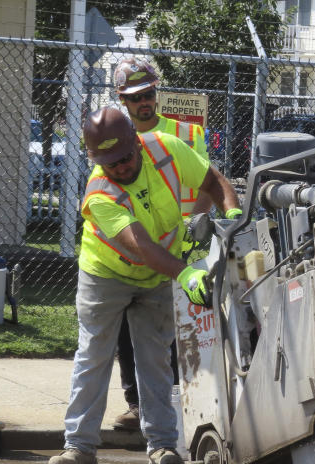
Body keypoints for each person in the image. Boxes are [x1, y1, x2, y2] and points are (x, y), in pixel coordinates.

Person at [47, 107, 241, 464]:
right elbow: (141, 246)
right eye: (108, 162)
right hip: (106, 274)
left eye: (123, 158)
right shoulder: (99, 194)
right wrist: (185, 275)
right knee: (94, 355)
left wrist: (232, 217)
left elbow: (214, 181)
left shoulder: (166, 149)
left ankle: (163, 447)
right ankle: (80, 448)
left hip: (157, 273)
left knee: (154, 359)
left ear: (137, 143)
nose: (118, 168)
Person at [108, 57, 237, 433]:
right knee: (129, 328)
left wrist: (191, 228)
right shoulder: (114, 140)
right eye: (135, 97)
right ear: (123, 100)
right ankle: (137, 405)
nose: (144, 102)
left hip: (182, 246)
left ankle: (184, 398)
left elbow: (207, 183)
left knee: (182, 327)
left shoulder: (186, 133)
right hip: (137, 247)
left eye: (149, 94)